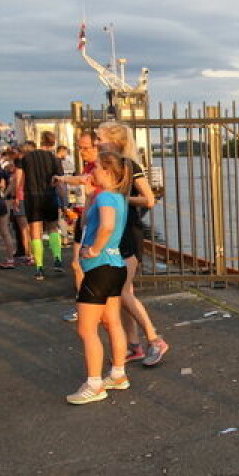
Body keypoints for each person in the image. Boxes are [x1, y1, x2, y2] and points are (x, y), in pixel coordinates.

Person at [95, 122, 168, 367]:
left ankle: (155, 339)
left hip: (128, 233)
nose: (96, 142)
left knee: (122, 291)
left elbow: (149, 200)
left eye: (99, 138)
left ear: (114, 141)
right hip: (117, 232)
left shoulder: (129, 166)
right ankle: (134, 345)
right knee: (124, 292)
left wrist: (119, 197)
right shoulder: (107, 166)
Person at [66, 151, 132, 405]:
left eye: (94, 168)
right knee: (112, 322)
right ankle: (117, 374)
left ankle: (94, 383)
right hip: (115, 266)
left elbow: (105, 226)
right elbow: (91, 222)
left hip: (99, 266)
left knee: (86, 328)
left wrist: (92, 249)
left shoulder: (105, 197)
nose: (90, 172)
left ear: (106, 170)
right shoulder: (117, 197)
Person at [55, 131, 98, 323]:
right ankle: (84, 305)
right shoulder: (89, 165)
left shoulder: (99, 165)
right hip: (85, 218)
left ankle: (88, 306)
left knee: (86, 265)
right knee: (77, 263)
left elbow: (83, 180)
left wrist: (62, 179)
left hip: (95, 220)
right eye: (79, 147)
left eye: (85, 148)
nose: (81, 151)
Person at [20, 132, 63, 280]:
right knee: (53, 227)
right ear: (53, 142)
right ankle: (57, 259)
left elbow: (20, 177)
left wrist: (18, 195)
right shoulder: (55, 159)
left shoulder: (26, 158)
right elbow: (59, 181)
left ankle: (39, 267)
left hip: (32, 196)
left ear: (40, 140)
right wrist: (63, 201)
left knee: (35, 230)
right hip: (49, 196)